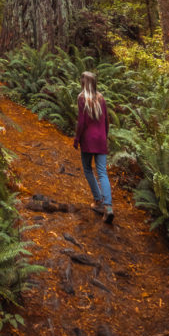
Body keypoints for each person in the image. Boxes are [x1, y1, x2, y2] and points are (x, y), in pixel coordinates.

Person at [72, 70, 114, 224]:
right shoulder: (101, 98)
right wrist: (105, 136)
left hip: (88, 140)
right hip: (101, 139)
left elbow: (81, 122)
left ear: (84, 83)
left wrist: (77, 139)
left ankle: (98, 200)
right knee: (102, 172)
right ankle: (108, 207)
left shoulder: (82, 98)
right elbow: (106, 121)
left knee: (88, 169)